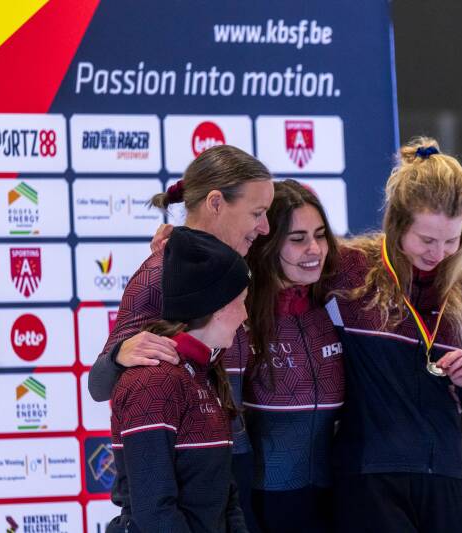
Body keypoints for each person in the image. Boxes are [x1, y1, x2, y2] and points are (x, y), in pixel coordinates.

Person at [89, 144, 274, 533]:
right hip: (189, 472)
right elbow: (99, 384)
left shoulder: (240, 260)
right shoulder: (161, 273)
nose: (265, 227)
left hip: (228, 460)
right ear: (216, 203)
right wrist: (118, 355)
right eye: (257, 213)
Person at [326, 138, 462, 533]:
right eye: (427, 240)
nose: (438, 253)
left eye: (452, 240)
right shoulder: (351, 272)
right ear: (398, 223)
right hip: (369, 473)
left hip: (444, 475)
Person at [108, 226, 250, 532]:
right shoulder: (154, 381)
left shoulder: (204, 371)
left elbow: (227, 497)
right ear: (217, 306)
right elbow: (155, 512)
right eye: (241, 302)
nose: (245, 316)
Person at [237, 180, 344, 532]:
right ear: (267, 244)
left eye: (320, 235)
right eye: (297, 239)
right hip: (264, 503)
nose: (314, 249)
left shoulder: (338, 305)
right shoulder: (237, 318)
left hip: (338, 499)